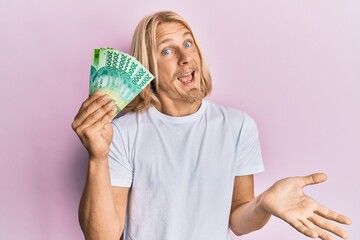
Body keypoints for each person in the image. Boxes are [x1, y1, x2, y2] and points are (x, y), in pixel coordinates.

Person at [72, 11, 351, 240]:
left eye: (188, 43)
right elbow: (101, 237)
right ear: (148, 68)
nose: (185, 57)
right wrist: (98, 157)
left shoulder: (238, 126)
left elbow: (239, 221)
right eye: (167, 50)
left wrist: (264, 203)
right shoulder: (122, 133)